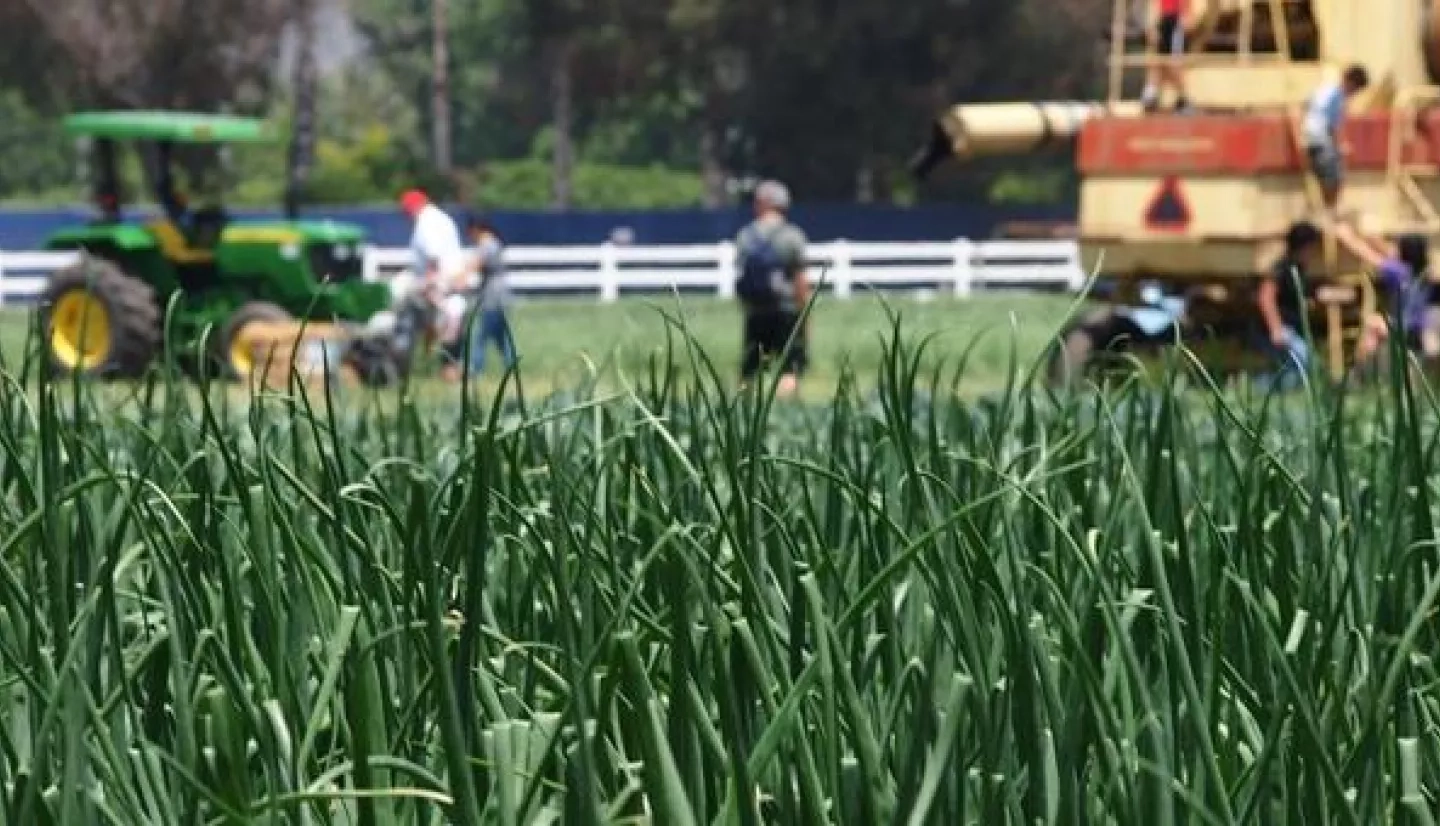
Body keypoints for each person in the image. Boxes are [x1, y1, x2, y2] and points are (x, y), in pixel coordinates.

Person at [733, 179, 811, 398]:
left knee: (750, 369)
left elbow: (741, 275)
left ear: (762, 203)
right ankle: (784, 412)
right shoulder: (792, 236)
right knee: (789, 368)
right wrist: (804, 311)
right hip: (785, 310)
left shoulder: (745, 236)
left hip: (756, 311)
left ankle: (741, 412)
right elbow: (800, 280)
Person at [1334, 225, 1436, 365]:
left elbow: (1367, 255)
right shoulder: (1423, 273)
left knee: (1372, 324)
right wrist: (1369, 237)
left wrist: (1346, 237)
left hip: (1403, 327)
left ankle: (1359, 370)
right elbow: (1389, 252)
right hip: (1418, 327)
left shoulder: (1399, 272)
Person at [399, 189, 470, 366]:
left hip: (439, 282)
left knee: (417, 321)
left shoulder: (426, 223)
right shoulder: (441, 218)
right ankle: (447, 364)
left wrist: (428, 285)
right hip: (450, 280)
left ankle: (412, 362)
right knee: (450, 323)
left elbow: (433, 256)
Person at [1256, 220, 1324, 390]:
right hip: (1282, 329)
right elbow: (1266, 296)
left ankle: (1266, 388)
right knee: (1306, 361)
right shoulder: (1283, 268)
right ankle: (1259, 387)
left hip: (1292, 327)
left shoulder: (1300, 269)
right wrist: (1276, 329)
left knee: (1294, 373)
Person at [452, 213, 518, 381]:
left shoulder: (488, 245)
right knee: (501, 337)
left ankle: (474, 369)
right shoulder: (493, 244)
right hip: (500, 296)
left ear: (476, 230)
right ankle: (511, 366)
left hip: (492, 298)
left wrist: (457, 281)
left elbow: (474, 266)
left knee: (480, 337)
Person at [1301, 64, 1370, 211]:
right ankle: (1330, 213)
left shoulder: (1323, 90)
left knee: (1324, 180)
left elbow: (1306, 107)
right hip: (1323, 142)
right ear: (1351, 84)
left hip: (1310, 140)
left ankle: (1325, 211)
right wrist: (1342, 146)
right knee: (1335, 180)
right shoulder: (1338, 97)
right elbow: (1333, 126)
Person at [1142, 0, 1189, 113]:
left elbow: (1185, 7)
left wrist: (1185, 17)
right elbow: (1153, 6)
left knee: (1173, 62)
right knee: (1157, 61)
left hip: (1175, 21)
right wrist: (1151, 26)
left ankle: (1182, 99)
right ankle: (1150, 95)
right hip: (1162, 20)